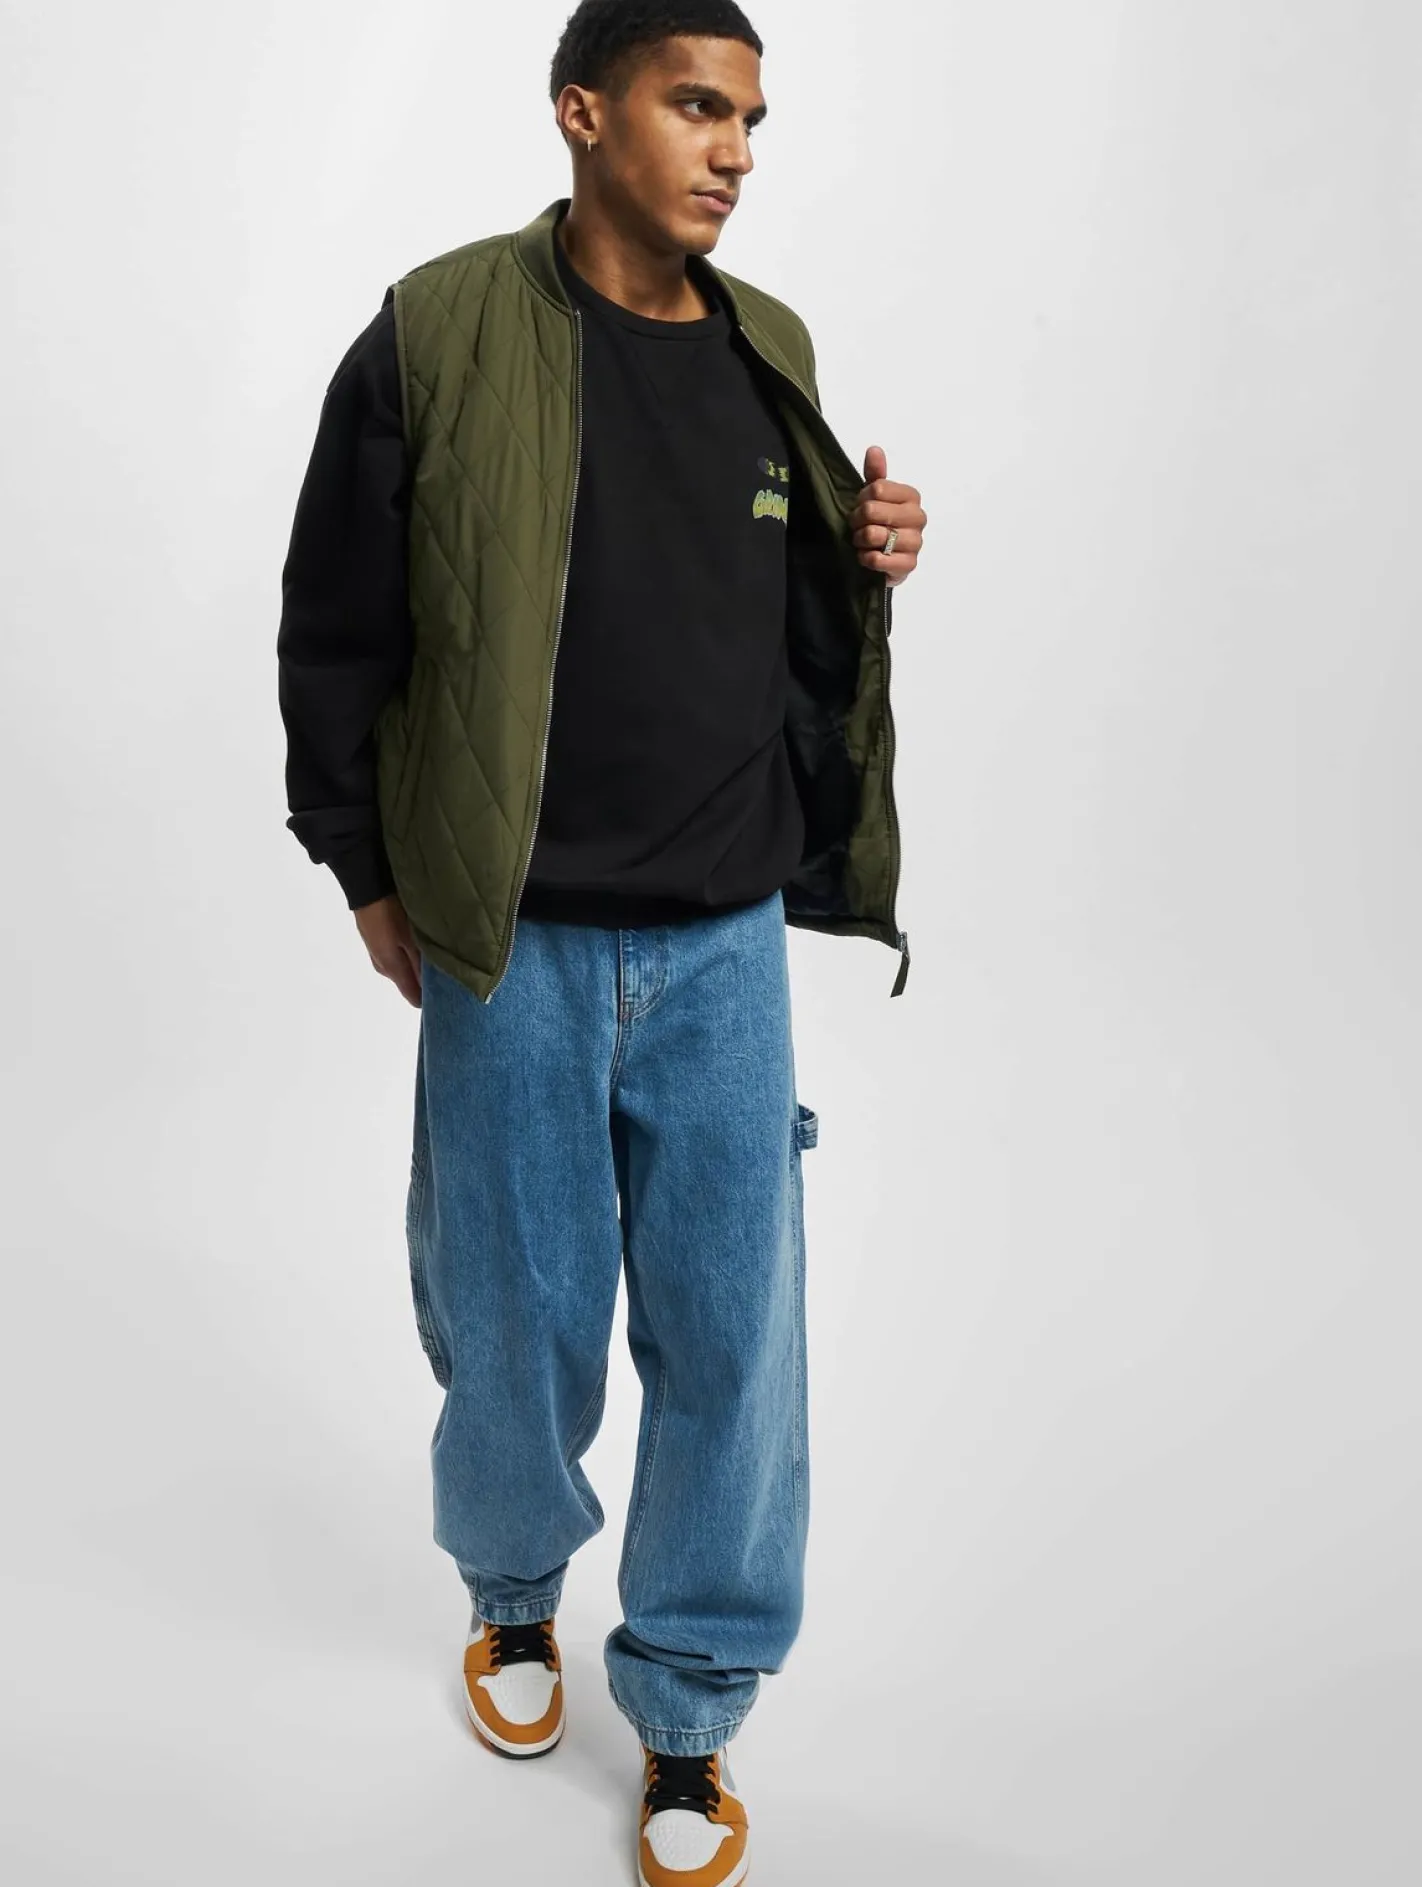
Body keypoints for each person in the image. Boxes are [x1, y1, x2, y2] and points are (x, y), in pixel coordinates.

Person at [276, 2, 927, 1880]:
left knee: (733, 1346)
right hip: (515, 940)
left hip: (722, 945)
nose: (733, 150)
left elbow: (780, 622)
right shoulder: (436, 330)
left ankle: (693, 1707)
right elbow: (335, 618)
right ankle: (510, 1590)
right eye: (695, 105)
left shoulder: (765, 346)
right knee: (511, 1322)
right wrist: (367, 870)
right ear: (582, 112)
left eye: (752, 119)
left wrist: (867, 548)